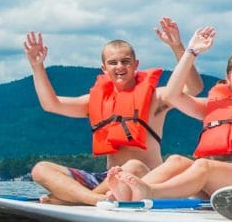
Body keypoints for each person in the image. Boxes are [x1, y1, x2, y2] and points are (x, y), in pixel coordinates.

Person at [109, 28, 232, 201]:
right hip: (211, 180)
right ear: (227, 78)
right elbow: (172, 94)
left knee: (203, 166)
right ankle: (123, 193)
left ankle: (150, 191)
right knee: (176, 160)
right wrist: (191, 51)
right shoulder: (213, 106)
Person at [23, 18, 201, 204]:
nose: (120, 67)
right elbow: (51, 104)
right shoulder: (93, 101)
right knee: (40, 169)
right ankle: (93, 199)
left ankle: (71, 199)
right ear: (104, 68)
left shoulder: (157, 98)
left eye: (125, 61)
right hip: (106, 181)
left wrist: (177, 46)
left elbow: (193, 88)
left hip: (142, 177)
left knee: (132, 166)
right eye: (113, 63)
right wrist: (37, 66)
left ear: (136, 64)